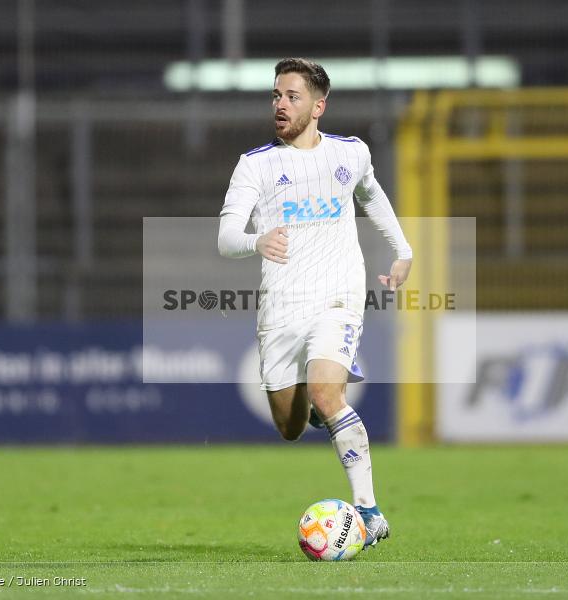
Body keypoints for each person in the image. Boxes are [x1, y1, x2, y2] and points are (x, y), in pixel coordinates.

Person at [217, 57, 412, 548]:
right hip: (281, 309)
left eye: (292, 97)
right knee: (290, 425)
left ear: (319, 106)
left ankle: (368, 511)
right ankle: (309, 380)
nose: (280, 105)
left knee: (328, 397)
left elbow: (371, 196)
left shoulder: (351, 154)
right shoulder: (256, 164)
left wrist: (403, 249)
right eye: (276, 96)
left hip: (337, 299)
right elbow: (225, 238)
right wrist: (257, 241)